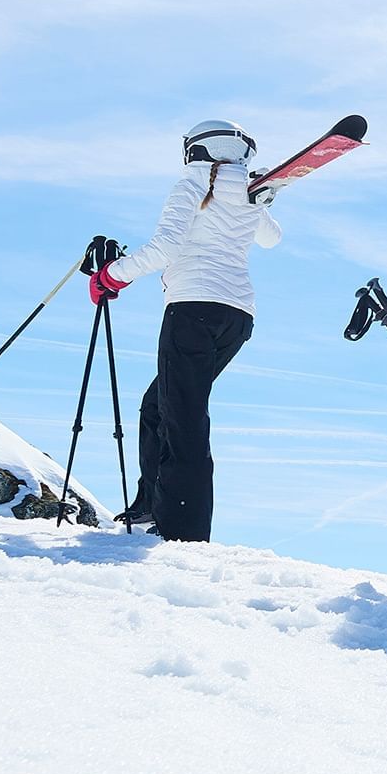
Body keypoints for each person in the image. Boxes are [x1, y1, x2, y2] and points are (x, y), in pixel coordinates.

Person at [90, 119, 280, 542]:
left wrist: (112, 276)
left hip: (193, 308)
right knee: (158, 406)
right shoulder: (248, 189)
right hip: (236, 317)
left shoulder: (192, 184)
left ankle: (182, 528)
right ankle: (153, 502)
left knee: (183, 417)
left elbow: (165, 248)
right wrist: (263, 201)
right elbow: (271, 238)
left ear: (197, 148)